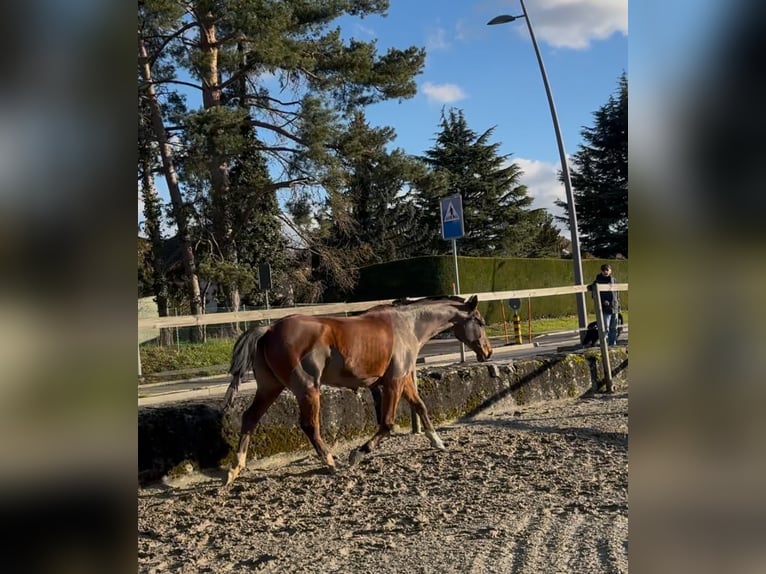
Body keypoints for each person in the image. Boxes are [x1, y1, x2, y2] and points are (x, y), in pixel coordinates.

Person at [590, 264, 620, 346]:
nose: (605, 271)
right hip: (605, 308)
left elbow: (617, 294)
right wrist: (603, 301)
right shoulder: (598, 281)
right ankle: (605, 345)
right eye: (604, 270)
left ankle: (612, 344)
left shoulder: (614, 280)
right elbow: (594, 294)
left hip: (614, 306)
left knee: (614, 327)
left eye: (607, 270)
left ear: (610, 270)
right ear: (601, 271)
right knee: (605, 328)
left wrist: (618, 304)